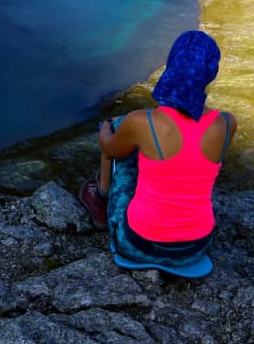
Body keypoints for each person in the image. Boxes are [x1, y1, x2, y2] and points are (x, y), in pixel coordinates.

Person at [78, 30, 238, 267]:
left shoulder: (142, 121)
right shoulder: (227, 123)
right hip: (195, 248)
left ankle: (100, 197)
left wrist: (107, 127)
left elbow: (110, 149)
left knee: (122, 145)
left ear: (171, 65)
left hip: (139, 245)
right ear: (211, 73)